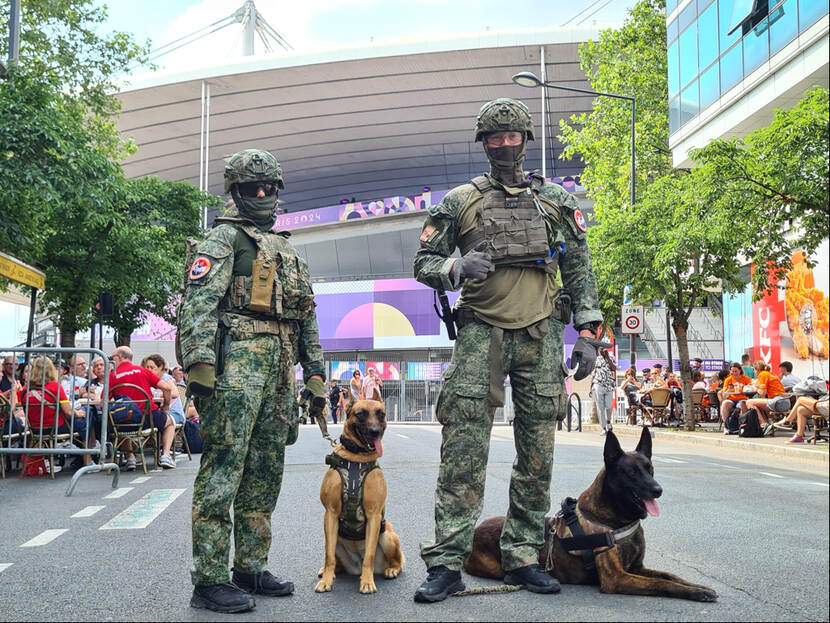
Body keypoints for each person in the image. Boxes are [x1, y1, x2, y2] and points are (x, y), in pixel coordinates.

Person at [412, 98, 604, 602]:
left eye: (511, 136)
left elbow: (580, 269)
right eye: (494, 139)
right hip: (481, 336)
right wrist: (454, 270)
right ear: (484, 143)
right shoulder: (460, 201)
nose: (503, 145)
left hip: (541, 335)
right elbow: (424, 260)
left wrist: (587, 332)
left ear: (525, 139)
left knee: (537, 454)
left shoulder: (556, 202)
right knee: (463, 454)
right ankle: (447, 561)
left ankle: (522, 555)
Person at [178, 148, 326, 613]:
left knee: (264, 473)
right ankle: (208, 579)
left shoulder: (286, 247)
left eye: (268, 188)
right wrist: (200, 366)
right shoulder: (222, 239)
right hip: (236, 369)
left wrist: (316, 373)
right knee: (223, 471)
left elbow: (305, 315)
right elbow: (198, 304)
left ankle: (249, 566)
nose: (261, 195)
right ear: (236, 193)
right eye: (251, 189)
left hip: (279, 370)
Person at [109, 346, 176, 471]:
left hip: (127, 420)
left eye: (112, 358)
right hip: (148, 417)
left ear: (119, 357)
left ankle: (130, 458)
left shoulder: (112, 376)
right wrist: (166, 405)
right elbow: (167, 388)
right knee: (170, 422)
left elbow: (103, 402)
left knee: (120, 419)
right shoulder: (143, 371)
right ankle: (166, 455)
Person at [745, 360, 790, 434]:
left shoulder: (762, 374)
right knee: (757, 404)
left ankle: (763, 425)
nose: (754, 372)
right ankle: (767, 425)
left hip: (778, 401)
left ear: (757, 369)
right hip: (785, 400)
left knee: (749, 402)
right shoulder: (771, 374)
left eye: (754, 369)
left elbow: (762, 393)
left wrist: (756, 389)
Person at [720, 362, 752, 433]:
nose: (734, 373)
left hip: (742, 398)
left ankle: (742, 426)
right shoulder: (728, 380)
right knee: (725, 403)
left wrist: (744, 388)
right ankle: (726, 426)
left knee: (743, 404)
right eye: (732, 371)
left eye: (736, 371)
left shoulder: (746, 379)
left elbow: (750, 390)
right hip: (731, 399)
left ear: (740, 370)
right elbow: (724, 395)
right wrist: (729, 389)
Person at [591, 346, 617, 435]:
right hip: (598, 384)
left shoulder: (611, 358)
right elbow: (593, 374)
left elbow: (614, 368)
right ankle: (604, 427)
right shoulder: (596, 360)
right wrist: (591, 387)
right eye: (601, 349)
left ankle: (608, 421)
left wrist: (608, 358)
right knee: (600, 408)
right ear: (599, 350)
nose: (602, 351)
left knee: (609, 406)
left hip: (609, 385)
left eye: (604, 349)